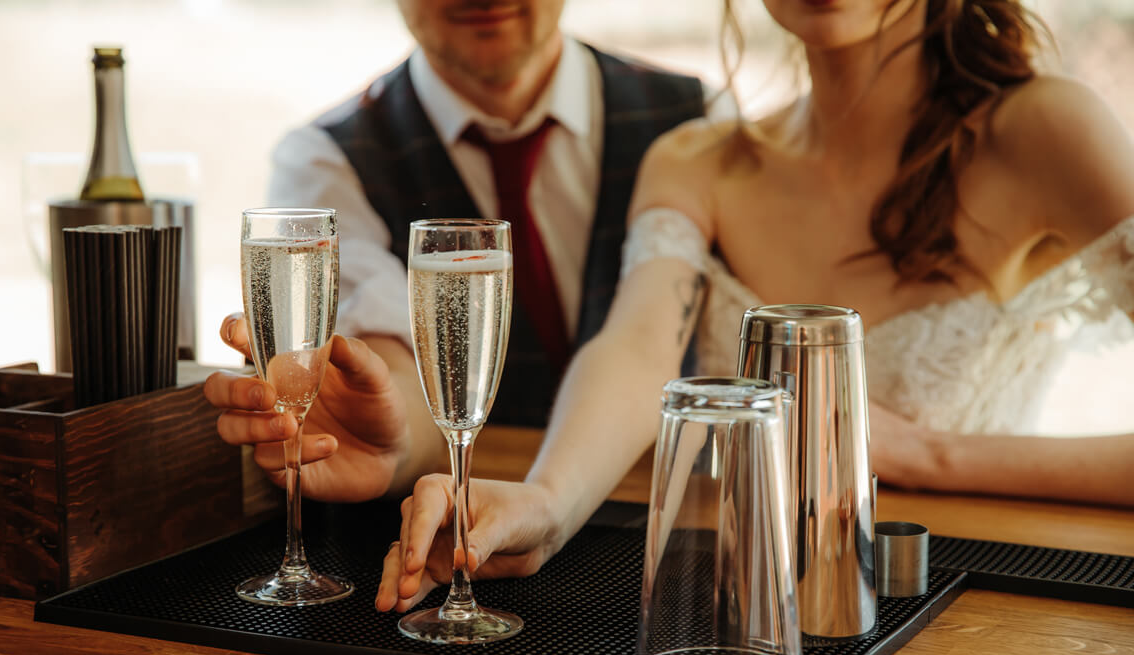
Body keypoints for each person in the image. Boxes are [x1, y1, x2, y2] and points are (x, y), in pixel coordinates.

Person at [376, 0, 1134, 613]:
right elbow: (638, 348)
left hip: (985, 606)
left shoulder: (1046, 130)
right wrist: (546, 504)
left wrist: (929, 456)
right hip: (753, 602)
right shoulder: (697, 161)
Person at [203, 0, 712, 503]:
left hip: (681, 507)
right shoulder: (326, 161)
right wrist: (392, 438)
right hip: (458, 515)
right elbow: (390, 357)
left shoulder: (701, 120)